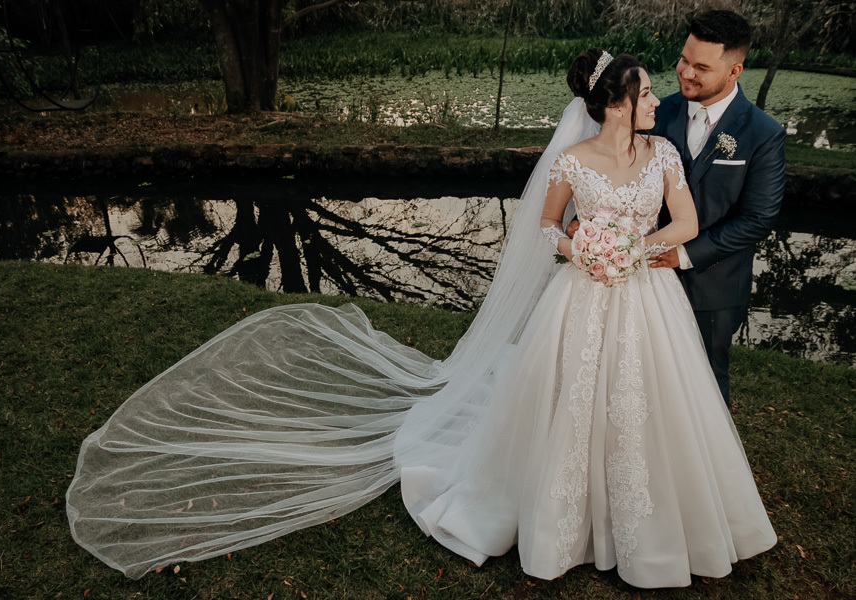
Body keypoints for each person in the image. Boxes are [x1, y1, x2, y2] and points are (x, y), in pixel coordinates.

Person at [65, 50, 777, 589]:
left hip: (646, 298)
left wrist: (632, 248)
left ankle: (655, 528)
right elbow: (546, 229)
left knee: (653, 408)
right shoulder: (572, 160)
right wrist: (581, 248)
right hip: (583, 298)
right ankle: (563, 524)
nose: (659, 99)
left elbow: (683, 222)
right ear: (617, 103)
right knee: (572, 400)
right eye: (648, 90)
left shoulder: (663, 154)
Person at [649, 10, 786, 405]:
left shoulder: (763, 133)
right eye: (684, 59)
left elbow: (758, 218)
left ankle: (709, 465)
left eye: (701, 67)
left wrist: (685, 254)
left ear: (734, 70)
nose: (686, 73)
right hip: (646, 276)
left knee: (705, 382)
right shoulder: (656, 114)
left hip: (714, 285)